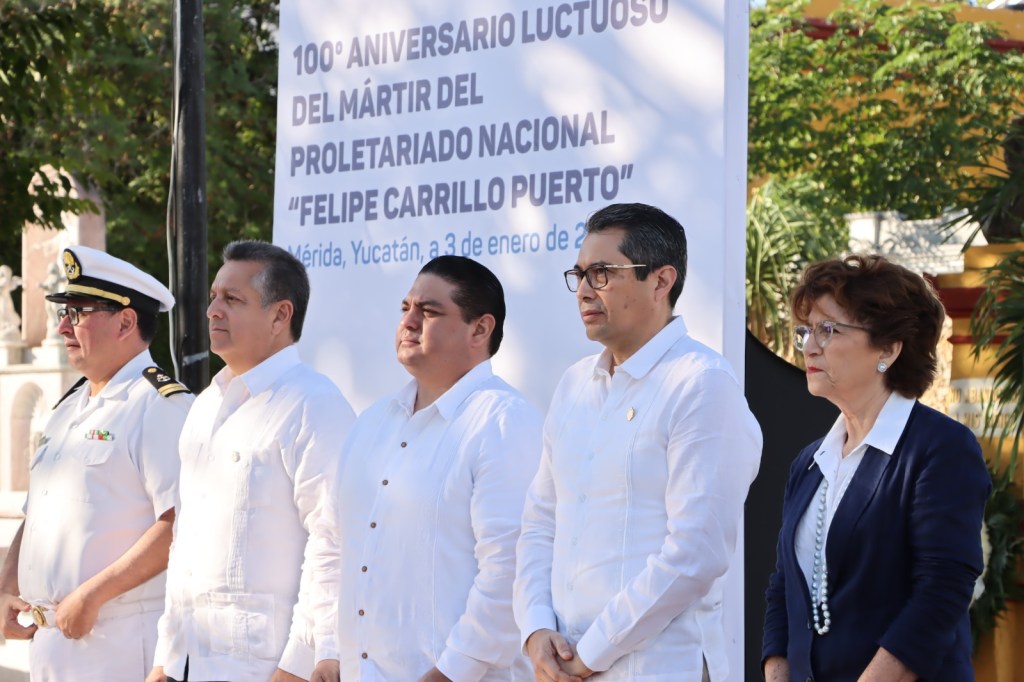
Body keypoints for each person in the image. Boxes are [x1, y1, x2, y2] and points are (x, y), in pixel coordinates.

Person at [514, 203, 763, 681]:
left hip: (659, 667)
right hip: (563, 664)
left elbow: (695, 552)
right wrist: (535, 628)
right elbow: (540, 521)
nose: (584, 290)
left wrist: (591, 653)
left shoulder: (701, 384)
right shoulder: (573, 385)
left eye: (603, 273)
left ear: (661, 280)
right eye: (580, 274)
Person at [309, 255, 542, 682]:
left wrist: (453, 671)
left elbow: (510, 569)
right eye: (405, 308)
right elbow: (331, 544)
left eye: (429, 311)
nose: (409, 322)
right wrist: (327, 650)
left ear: (480, 329)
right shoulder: (372, 423)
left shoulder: (503, 422)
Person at [761, 255, 991, 682]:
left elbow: (941, 594)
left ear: (888, 348)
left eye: (828, 330)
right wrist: (777, 672)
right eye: (806, 330)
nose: (810, 346)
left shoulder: (941, 449)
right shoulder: (810, 462)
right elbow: (783, 588)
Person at [147, 241, 356, 682]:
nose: (213, 312)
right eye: (213, 298)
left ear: (281, 315)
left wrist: (301, 663)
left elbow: (334, 540)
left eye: (233, 299)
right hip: (189, 662)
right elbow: (184, 542)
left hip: (264, 666)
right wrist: (166, 658)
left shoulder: (314, 404)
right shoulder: (205, 405)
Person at [0, 246, 191, 681]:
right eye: (64, 312)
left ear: (126, 321)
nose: (63, 326)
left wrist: (93, 594)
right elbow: (37, 513)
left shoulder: (159, 406)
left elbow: (179, 520)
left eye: (79, 312)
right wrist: (8, 585)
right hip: (50, 642)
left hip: (119, 641)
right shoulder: (70, 406)